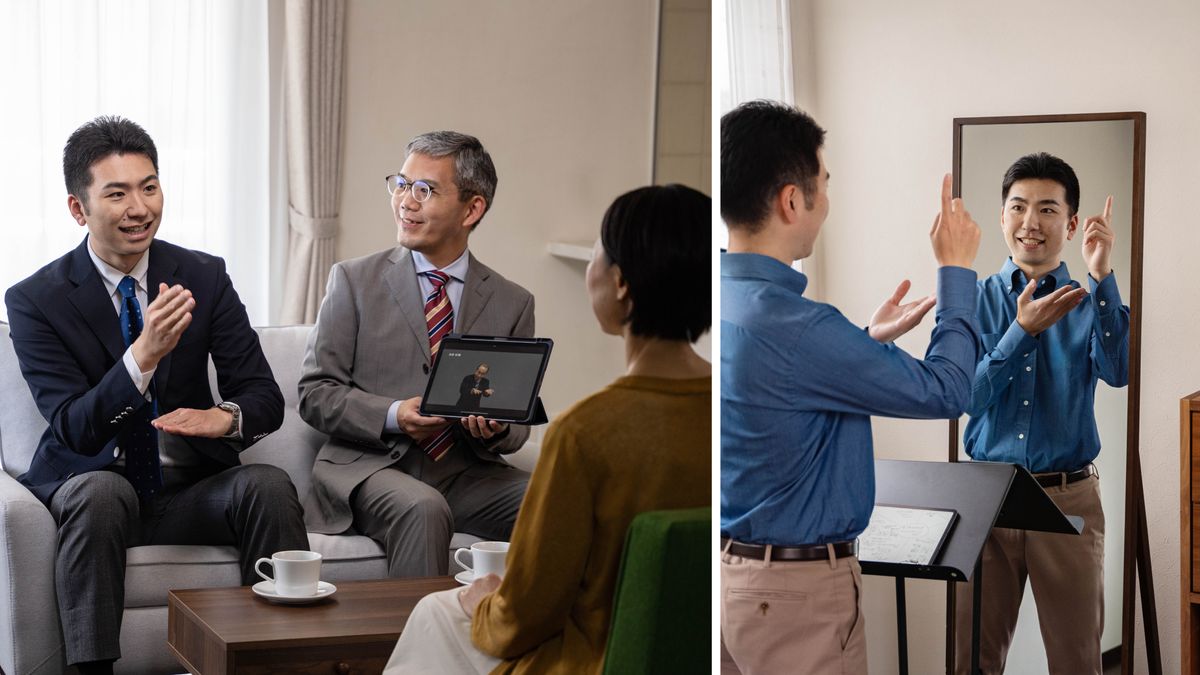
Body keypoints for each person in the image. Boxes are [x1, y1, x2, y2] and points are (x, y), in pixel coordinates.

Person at [4, 116, 307, 675]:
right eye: (116, 194)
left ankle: (278, 664)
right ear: (79, 209)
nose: (139, 208)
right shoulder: (34, 299)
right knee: (101, 492)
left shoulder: (202, 275)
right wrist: (141, 358)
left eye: (149, 187)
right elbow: (73, 426)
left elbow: (263, 395)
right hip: (94, 487)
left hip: (187, 492)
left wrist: (225, 418)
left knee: (266, 483)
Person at [383, 183, 711, 674]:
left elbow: (526, 614)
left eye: (599, 254)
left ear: (620, 283)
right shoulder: (721, 412)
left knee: (437, 611)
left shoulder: (586, 433)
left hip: (588, 658)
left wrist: (488, 602)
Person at [719, 99, 983, 674]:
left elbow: (778, 396)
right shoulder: (799, 327)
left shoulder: (724, 300)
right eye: (825, 184)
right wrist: (957, 271)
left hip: (732, 582)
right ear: (793, 199)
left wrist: (863, 341)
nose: (828, 202)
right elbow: (948, 391)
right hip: (797, 599)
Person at [298, 131, 534, 577]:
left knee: (560, 500)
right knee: (423, 508)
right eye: (401, 184)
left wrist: (496, 429)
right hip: (369, 470)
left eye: (424, 190)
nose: (406, 201)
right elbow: (315, 392)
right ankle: (419, 648)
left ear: (472, 208)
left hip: (466, 473)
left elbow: (517, 425)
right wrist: (392, 414)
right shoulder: (352, 281)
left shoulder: (512, 302)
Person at [954, 152, 1129, 674]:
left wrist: (1100, 278)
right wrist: (1021, 331)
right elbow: (964, 397)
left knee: (1076, 661)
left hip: (1068, 497)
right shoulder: (973, 299)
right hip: (985, 497)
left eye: (1048, 209)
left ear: (1071, 224)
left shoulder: (1090, 298)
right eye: (1018, 207)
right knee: (971, 660)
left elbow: (1119, 371)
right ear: (1003, 215)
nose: (1031, 223)